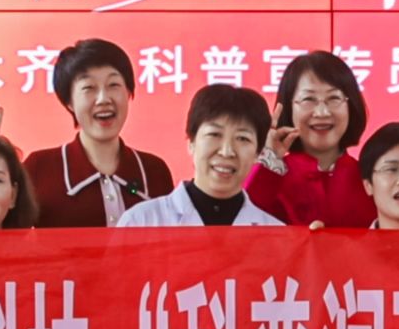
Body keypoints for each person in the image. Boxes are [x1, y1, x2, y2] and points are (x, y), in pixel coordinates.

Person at [22, 38, 175, 228]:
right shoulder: (39, 168)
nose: (103, 99)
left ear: (128, 93)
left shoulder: (154, 171)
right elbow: (8, 237)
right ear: (69, 102)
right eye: (89, 88)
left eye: (113, 85)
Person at [116, 86, 283, 227]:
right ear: (191, 142)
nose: (226, 151)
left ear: (258, 153)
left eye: (242, 138)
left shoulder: (276, 235)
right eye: (214, 134)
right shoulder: (141, 221)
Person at [247, 51, 374, 228]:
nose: (322, 112)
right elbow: (242, 224)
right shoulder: (268, 177)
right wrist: (270, 159)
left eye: (334, 98)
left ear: (350, 105)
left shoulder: (371, 179)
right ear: (289, 106)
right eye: (308, 99)